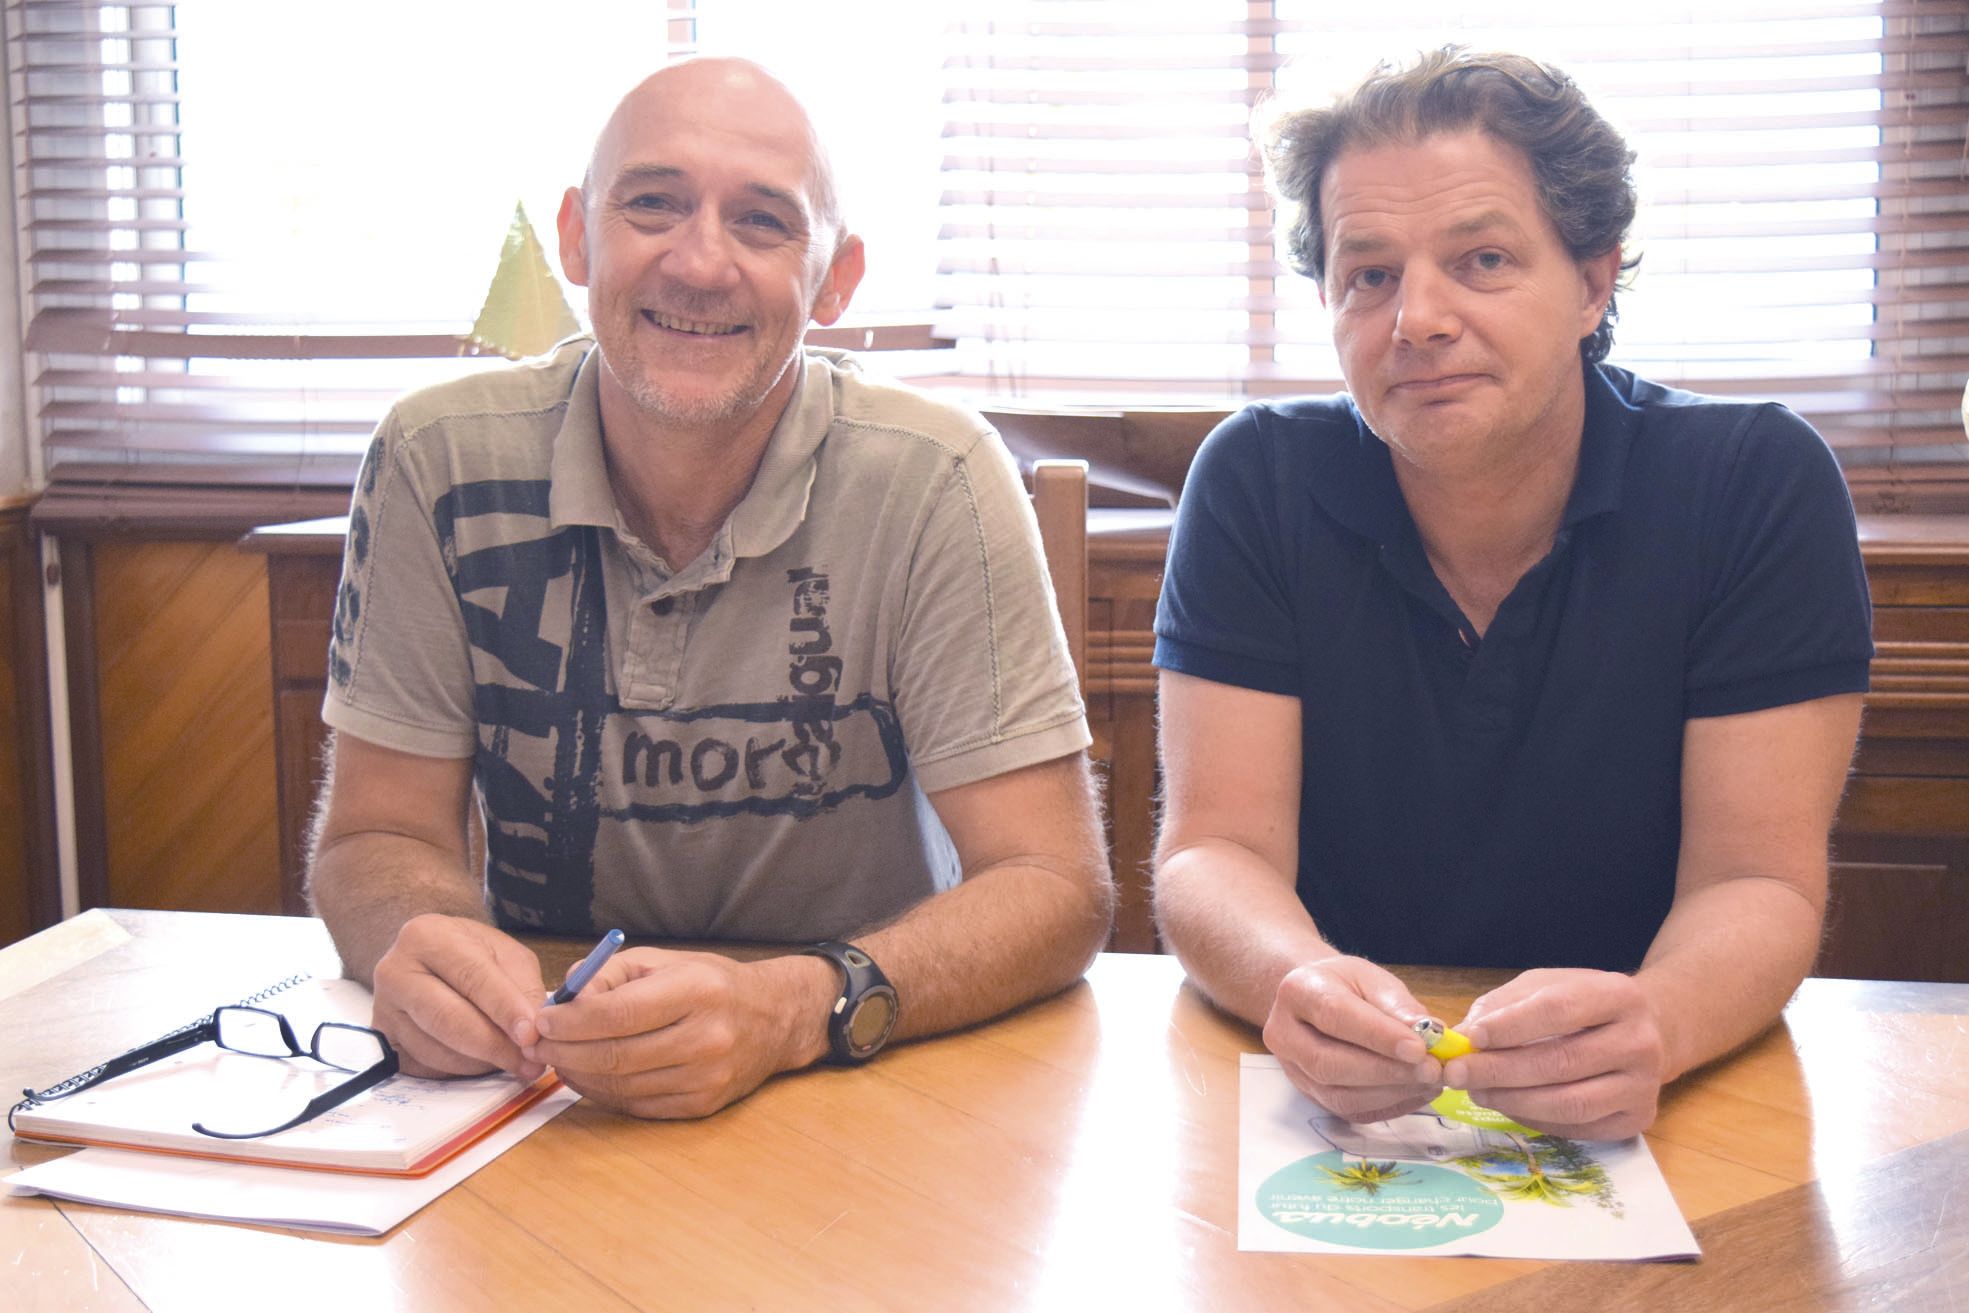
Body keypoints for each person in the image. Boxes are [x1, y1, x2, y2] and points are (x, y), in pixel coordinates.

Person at [308, 58, 1112, 1119]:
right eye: (653, 203)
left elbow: (1054, 885)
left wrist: (791, 1007)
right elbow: (376, 838)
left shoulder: (937, 476)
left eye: (763, 222)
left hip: (862, 1067)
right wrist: (421, 940)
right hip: (539, 1087)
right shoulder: (434, 456)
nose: (699, 262)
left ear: (836, 277)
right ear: (576, 235)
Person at [1151, 48, 1871, 1139]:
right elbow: (1213, 850)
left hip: (1659, 1091)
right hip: (1331, 1101)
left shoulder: (1754, 481)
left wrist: (1657, 1024)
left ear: (1592, 282)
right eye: (1370, 274)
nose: (1417, 319)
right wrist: (1294, 981)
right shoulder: (1254, 478)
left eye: (1481, 259)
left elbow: (1757, 880)